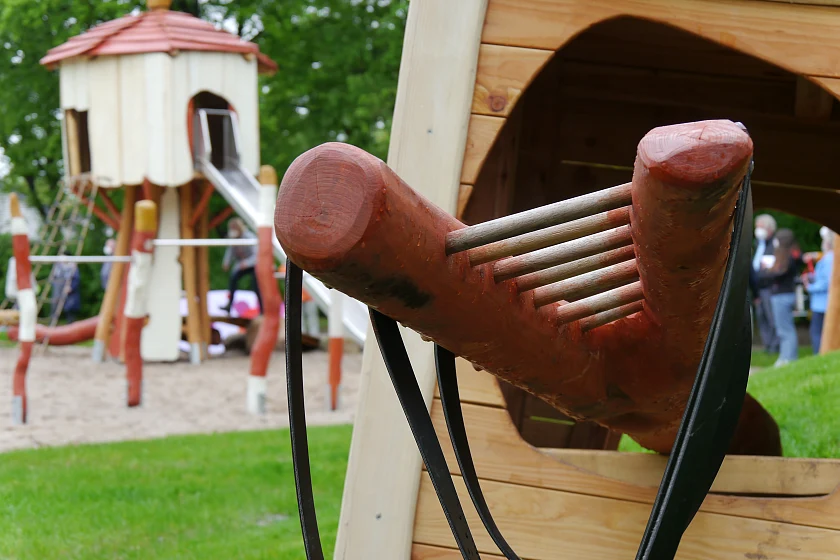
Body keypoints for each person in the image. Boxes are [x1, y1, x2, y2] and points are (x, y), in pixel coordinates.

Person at [757, 228, 803, 367]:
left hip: (782, 296)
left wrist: (765, 270)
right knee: (783, 328)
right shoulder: (790, 256)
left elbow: (776, 274)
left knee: (785, 330)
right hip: (784, 296)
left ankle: (790, 358)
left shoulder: (788, 257)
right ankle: (785, 356)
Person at [749, 214, 780, 353]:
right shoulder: (758, 244)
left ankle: (775, 346)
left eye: (760, 227)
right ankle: (768, 345)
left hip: (770, 288)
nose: (757, 230)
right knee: (762, 318)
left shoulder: (775, 244)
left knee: (772, 318)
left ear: (769, 228)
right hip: (758, 288)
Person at [804, 227, 835, 354]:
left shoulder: (829, 259)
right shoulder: (829, 258)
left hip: (822, 304)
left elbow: (827, 282)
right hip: (823, 303)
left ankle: (820, 355)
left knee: (817, 332)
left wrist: (809, 287)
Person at [222, 217, 262, 313]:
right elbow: (230, 251)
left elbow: (257, 255)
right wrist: (226, 262)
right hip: (241, 265)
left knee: (256, 285)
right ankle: (229, 305)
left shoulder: (249, 237)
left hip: (253, 264)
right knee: (233, 278)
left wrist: (247, 263)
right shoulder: (233, 238)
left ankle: (262, 309)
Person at [50, 250, 81, 324]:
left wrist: (71, 287)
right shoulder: (58, 266)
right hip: (58, 291)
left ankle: (71, 325)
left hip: (69, 292)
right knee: (55, 308)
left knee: (70, 309)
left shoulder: (73, 267)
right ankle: (52, 324)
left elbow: (76, 279)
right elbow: (53, 278)